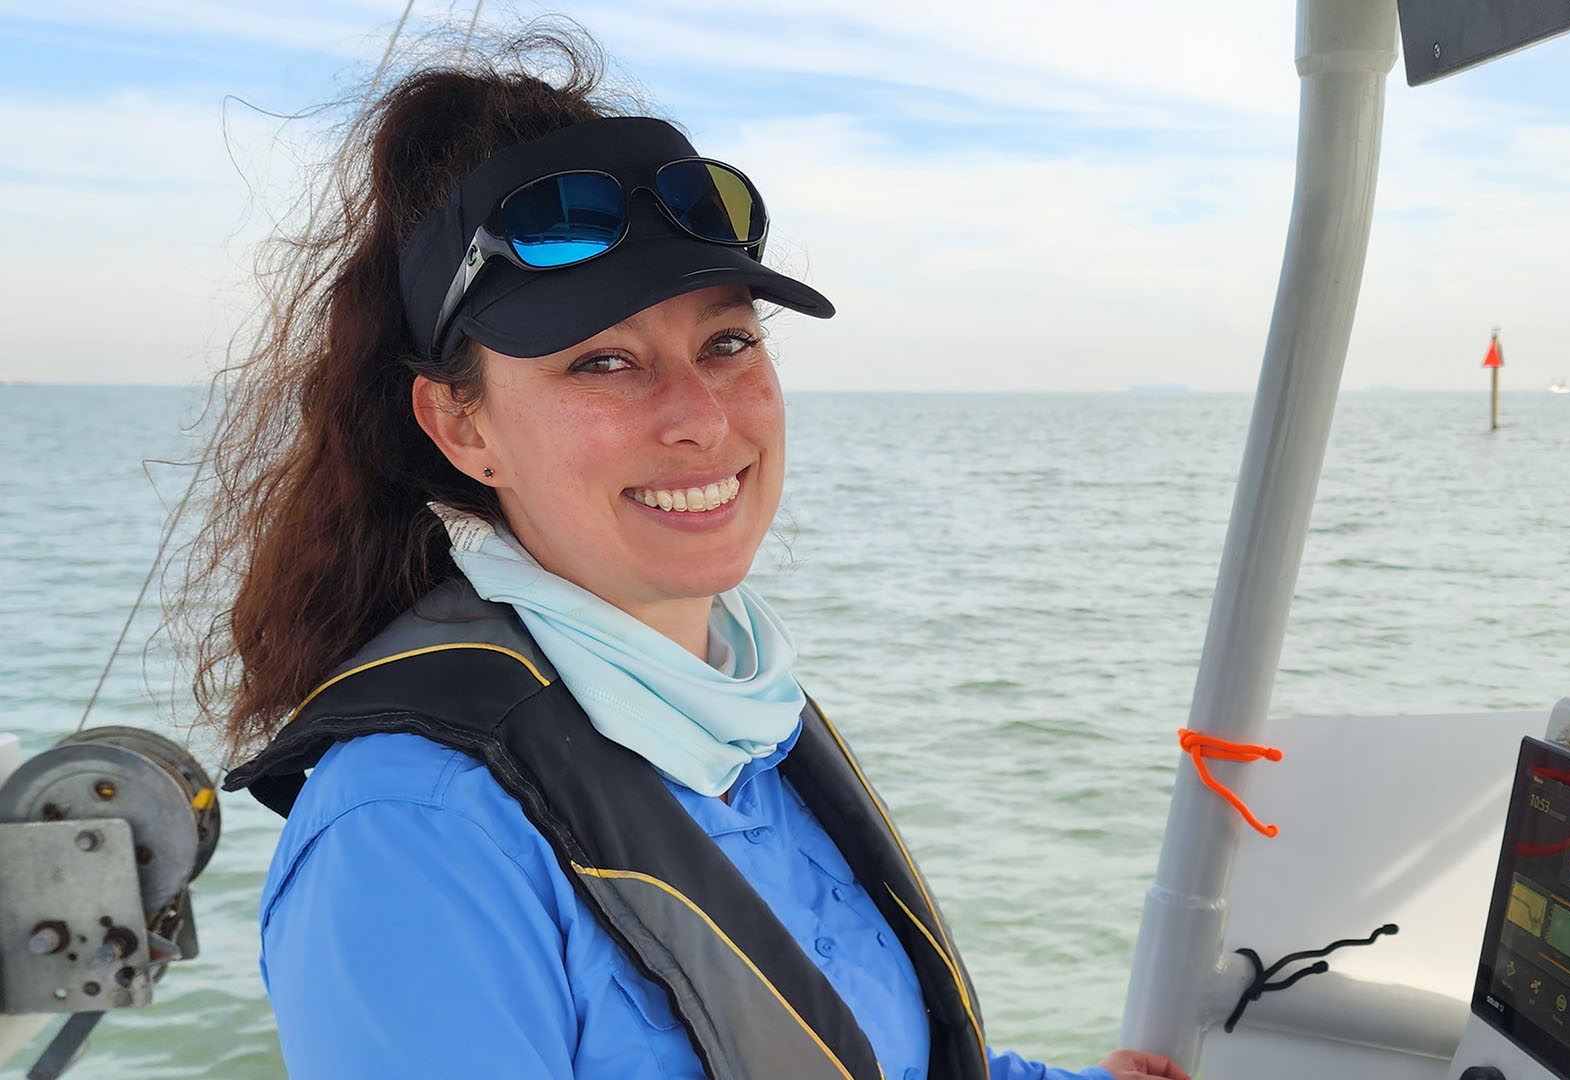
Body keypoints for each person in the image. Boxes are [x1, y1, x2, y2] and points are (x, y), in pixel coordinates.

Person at [184, 26, 1193, 1080]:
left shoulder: (734, 714)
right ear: (461, 427)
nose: (701, 420)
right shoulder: (410, 832)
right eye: (603, 363)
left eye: (727, 342)